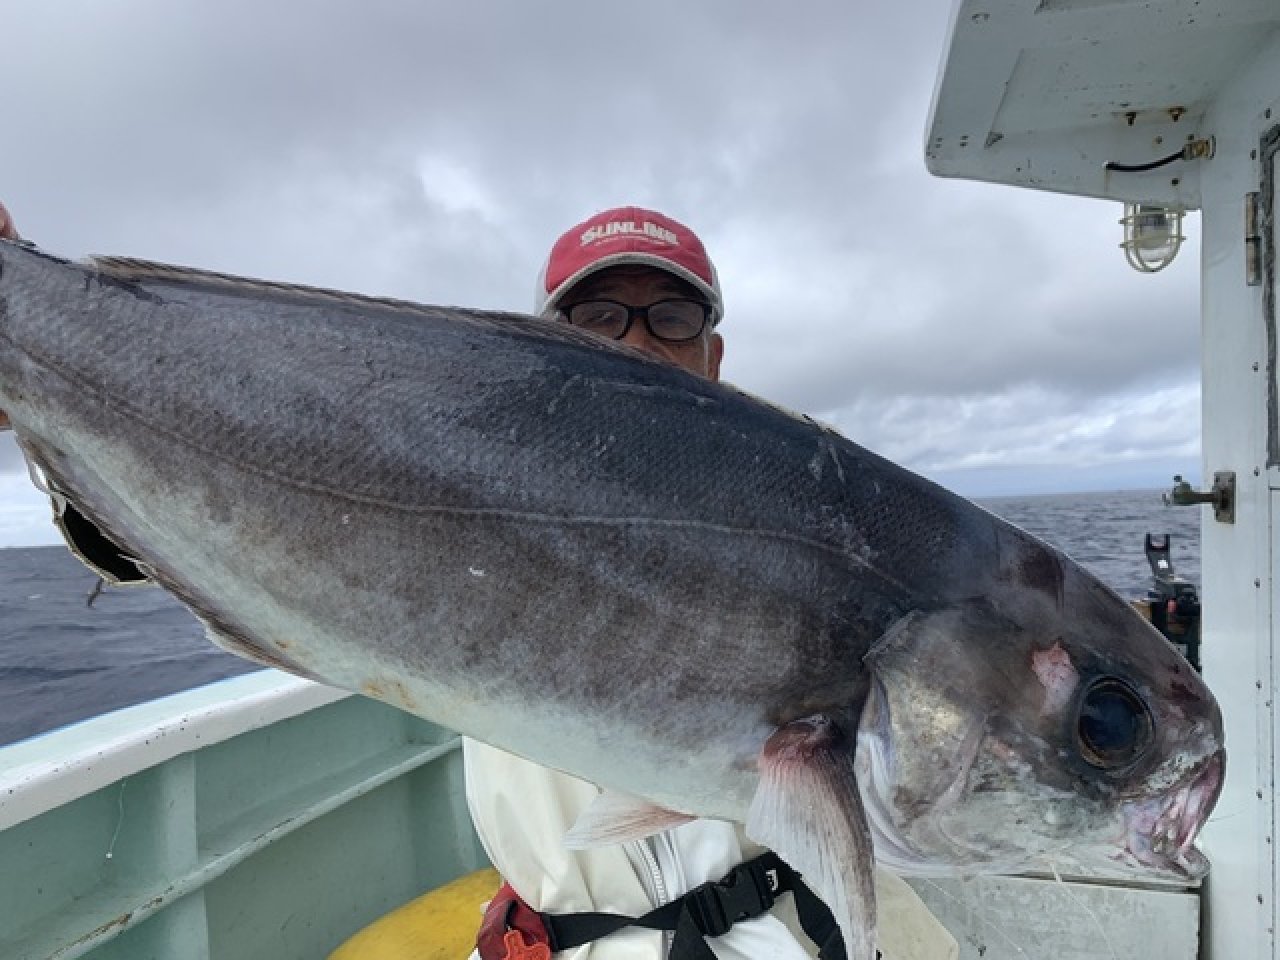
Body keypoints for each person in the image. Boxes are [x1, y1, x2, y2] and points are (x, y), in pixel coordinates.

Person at [463, 206, 958, 960]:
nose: (634, 340)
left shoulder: (804, 495)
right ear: (547, 343)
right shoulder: (467, 486)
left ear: (712, 352)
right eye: (596, 315)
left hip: (782, 928)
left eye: (670, 316)